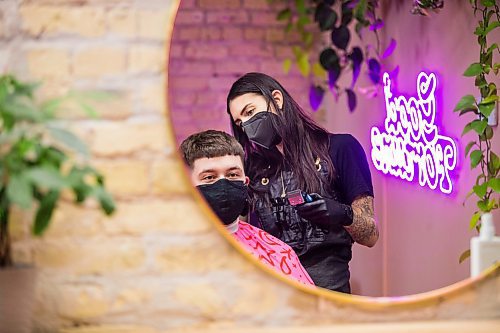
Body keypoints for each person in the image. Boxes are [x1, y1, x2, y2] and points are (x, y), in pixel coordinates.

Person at [226, 72, 379, 293]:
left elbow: (371, 236)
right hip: (272, 294)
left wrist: (342, 213)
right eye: (240, 123)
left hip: (328, 294)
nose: (247, 126)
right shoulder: (251, 169)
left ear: (276, 99)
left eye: (250, 112)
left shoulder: (341, 148)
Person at [180, 129, 314, 286]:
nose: (224, 185)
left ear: (246, 183)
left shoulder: (277, 252)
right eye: (209, 177)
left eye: (233, 175)